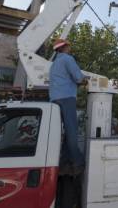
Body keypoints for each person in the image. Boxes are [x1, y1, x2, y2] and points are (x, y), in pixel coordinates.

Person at [49, 38, 87, 175]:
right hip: (67, 98)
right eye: (69, 46)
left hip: (54, 99)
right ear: (64, 47)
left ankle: (64, 163)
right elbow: (78, 77)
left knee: (64, 131)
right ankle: (78, 162)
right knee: (72, 131)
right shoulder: (67, 59)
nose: (70, 48)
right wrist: (85, 81)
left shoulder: (54, 64)